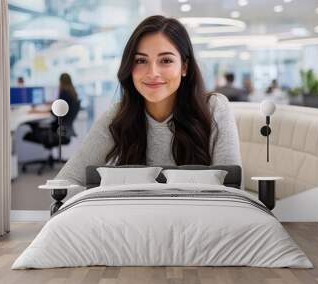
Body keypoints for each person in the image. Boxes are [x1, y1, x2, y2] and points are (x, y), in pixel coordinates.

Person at [55, 15, 242, 186]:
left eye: (166, 61)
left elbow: (232, 189)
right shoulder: (119, 114)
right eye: (141, 61)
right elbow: (65, 183)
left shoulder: (215, 108)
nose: (152, 73)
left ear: (184, 67)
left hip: (200, 220)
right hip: (133, 221)